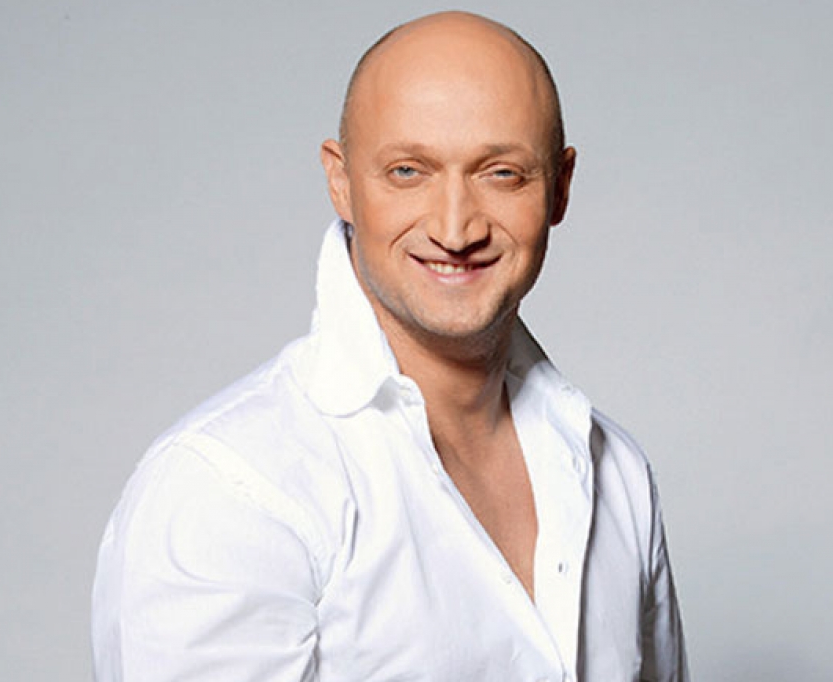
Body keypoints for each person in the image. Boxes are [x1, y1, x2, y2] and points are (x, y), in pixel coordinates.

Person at [92, 10, 688, 682]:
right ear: (340, 181)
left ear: (561, 186)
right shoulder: (229, 491)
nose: (455, 229)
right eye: (408, 171)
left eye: (501, 173)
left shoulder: (616, 473)